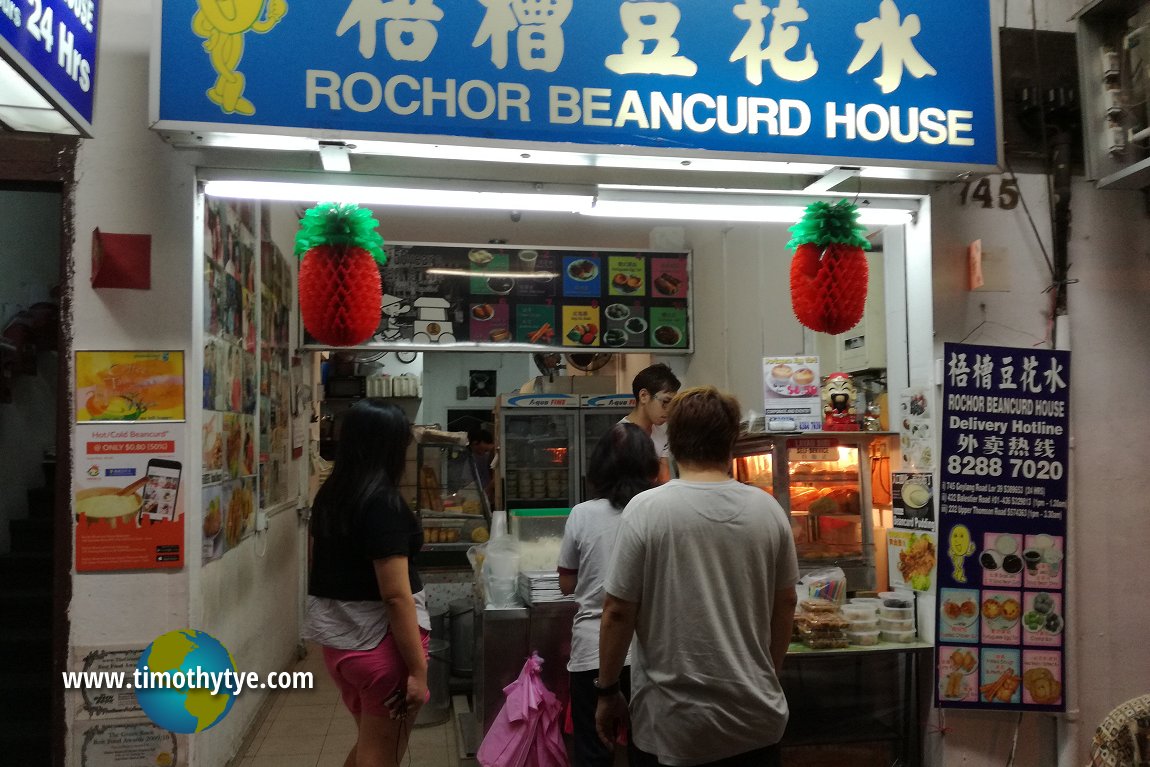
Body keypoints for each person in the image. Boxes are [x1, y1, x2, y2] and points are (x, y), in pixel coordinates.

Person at [595, 386, 800, 767]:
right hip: (756, 719)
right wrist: (766, 674)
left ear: (671, 442)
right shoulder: (767, 510)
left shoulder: (647, 510)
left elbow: (618, 612)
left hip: (674, 725)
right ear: (732, 441)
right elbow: (786, 601)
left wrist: (607, 690)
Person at [304, 399, 430, 767]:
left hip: (342, 647)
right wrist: (419, 671)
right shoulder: (381, 503)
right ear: (388, 447)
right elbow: (395, 596)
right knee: (380, 756)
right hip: (382, 649)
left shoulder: (332, 496)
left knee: (368, 747)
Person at [557, 423, 659, 767]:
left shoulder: (582, 515)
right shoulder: (660, 512)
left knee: (593, 750)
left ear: (599, 466)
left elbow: (567, 584)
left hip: (594, 653)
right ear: (650, 466)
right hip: (651, 653)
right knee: (647, 750)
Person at [621, 363, 681, 483]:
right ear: (644, 396)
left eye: (672, 404)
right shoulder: (620, 436)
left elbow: (663, 480)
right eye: (665, 402)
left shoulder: (662, 432)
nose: (669, 410)